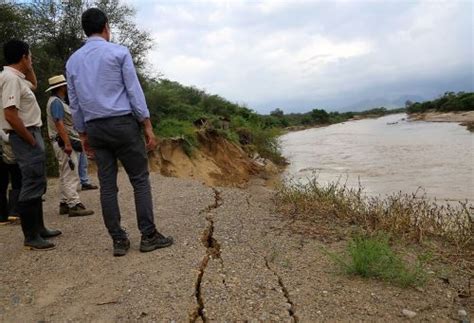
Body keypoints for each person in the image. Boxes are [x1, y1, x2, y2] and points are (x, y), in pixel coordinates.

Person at [66, 8, 173, 256]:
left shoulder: (73, 61)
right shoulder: (119, 52)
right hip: (123, 124)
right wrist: (146, 124)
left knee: (107, 185)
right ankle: (148, 236)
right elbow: (134, 92)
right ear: (106, 26)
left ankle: (119, 240)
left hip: (95, 128)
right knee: (139, 180)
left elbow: (75, 102)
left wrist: (82, 134)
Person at [0, 39, 61, 250]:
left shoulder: (16, 77)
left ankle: (40, 228)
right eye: (30, 55)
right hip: (25, 135)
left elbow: (33, 86)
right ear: (23, 56)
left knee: (37, 181)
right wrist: (29, 138)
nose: (32, 59)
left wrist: (29, 66)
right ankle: (31, 236)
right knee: (30, 183)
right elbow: (10, 113)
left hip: (30, 134)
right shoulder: (9, 78)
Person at [45, 74, 94, 217]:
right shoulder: (57, 103)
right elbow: (59, 123)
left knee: (65, 173)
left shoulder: (55, 101)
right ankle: (74, 204)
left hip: (61, 141)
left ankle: (65, 202)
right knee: (71, 173)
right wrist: (67, 143)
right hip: (63, 142)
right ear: (61, 86)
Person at [0, 129, 21, 225]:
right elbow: (6, 138)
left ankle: (2, 215)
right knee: (16, 180)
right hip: (9, 153)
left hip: (4, 153)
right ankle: (14, 211)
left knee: (2, 184)